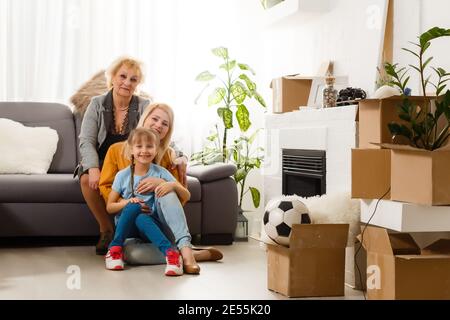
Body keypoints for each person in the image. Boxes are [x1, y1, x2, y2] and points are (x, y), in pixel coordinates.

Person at [99, 102, 223, 274]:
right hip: (132, 224)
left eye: (165, 123)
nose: (159, 125)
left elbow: (179, 198)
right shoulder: (116, 153)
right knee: (133, 255)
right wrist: (128, 203)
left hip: (160, 222)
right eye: (155, 119)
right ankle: (185, 254)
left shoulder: (169, 158)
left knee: (166, 189)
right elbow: (105, 189)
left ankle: (186, 251)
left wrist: (165, 183)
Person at [77, 56, 150, 255]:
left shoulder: (144, 105)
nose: (127, 83)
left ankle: (127, 231)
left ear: (138, 84)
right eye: (123, 76)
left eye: (133, 79)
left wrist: (180, 156)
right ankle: (106, 230)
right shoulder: (97, 104)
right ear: (113, 77)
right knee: (85, 180)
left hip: (128, 162)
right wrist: (93, 168)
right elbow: (86, 141)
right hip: (101, 160)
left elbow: (159, 134)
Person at [106, 128, 185, 276]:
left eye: (149, 146)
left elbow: (186, 194)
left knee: (142, 217)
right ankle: (115, 248)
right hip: (127, 228)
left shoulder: (161, 172)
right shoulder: (122, 176)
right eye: (139, 146)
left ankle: (171, 255)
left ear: (156, 150)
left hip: (151, 226)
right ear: (131, 150)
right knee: (134, 207)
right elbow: (110, 207)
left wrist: (172, 184)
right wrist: (127, 202)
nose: (144, 150)